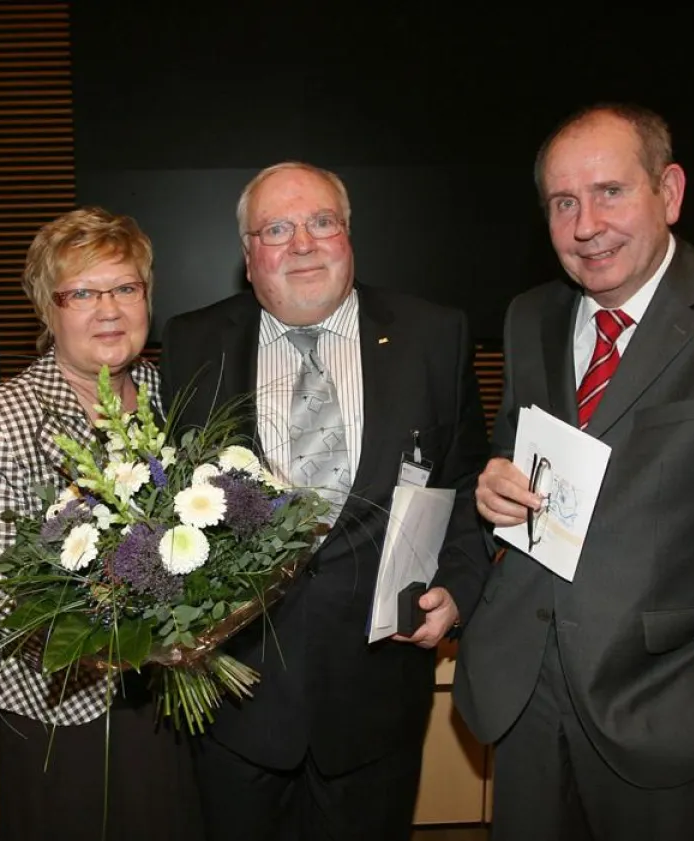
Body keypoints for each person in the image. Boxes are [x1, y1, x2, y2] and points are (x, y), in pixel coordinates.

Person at [456, 103, 694, 841]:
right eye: (563, 202)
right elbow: (517, 458)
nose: (585, 225)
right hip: (525, 700)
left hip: (669, 705)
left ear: (668, 192)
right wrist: (493, 490)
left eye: (610, 192)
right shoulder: (529, 316)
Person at [158, 161, 491, 841]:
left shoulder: (435, 334)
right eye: (276, 229)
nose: (302, 243)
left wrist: (458, 587)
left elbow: (464, 482)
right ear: (249, 257)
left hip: (376, 695)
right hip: (235, 696)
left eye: (321, 222)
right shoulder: (192, 344)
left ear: (349, 237)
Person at [0, 207, 204, 841]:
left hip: (173, 702)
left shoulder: (175, 395)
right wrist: (116, 645)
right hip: (60, 712)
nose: (109, 309)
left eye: (125, 287)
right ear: (46, 308)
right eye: (83, 293)